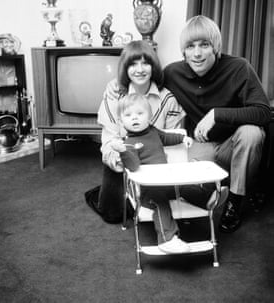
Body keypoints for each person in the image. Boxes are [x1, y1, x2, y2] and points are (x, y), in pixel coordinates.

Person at [104, 16, 271, 233]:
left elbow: (264, 112)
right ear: (183, 51)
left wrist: (216, 114)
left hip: (234, 144)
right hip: (200, 145)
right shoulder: (174, 73)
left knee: (252, 133)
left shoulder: (239, 67)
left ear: (216, 47)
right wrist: (119, 84)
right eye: (190, 46)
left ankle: (235, 203)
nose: (197, 53)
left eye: (204, 45)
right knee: (189, 188)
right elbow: (146, 79)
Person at [96, 40, 186, 223]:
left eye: (145, 63)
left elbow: (172, 141)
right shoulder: (114, 95)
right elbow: (109, 140)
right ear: (125, 68)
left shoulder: (168, 99)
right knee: (114, 215)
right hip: (126, 161)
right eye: (133, 64)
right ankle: (101, 193)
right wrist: (114, 160)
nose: (139, 70)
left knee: (169, 207)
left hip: (156, 164)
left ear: (153, 66)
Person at [111, 93, 193, 253]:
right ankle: (166, 239)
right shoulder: (129, 143)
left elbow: (166, 137)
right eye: (128, 115)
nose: (134, 118)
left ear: (149, 116)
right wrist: (123, 151)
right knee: (161, 203)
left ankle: (208, 199)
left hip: (166, 182)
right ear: (121, 121)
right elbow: (133, 166)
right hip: (147, 190)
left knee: (188, 187)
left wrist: (182, 139)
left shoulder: (153, 131)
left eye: (139, 114)